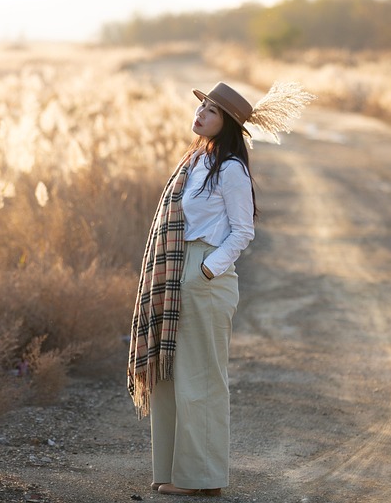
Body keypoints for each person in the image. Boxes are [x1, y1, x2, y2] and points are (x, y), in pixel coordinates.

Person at [127, 81, 314, 497]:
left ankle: (202, 479)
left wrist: (207, 271)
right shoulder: (196, 161)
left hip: (204, 274)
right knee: (170, 376)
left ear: (226, 123)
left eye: (211, 111)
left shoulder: (230, 168)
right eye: (202, 107)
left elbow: (243, 231)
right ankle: (170, 471)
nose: (201, 114)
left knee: (202, 379)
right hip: (178, 270)